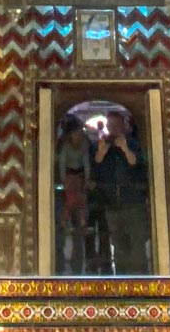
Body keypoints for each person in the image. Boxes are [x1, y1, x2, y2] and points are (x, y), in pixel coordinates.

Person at [92, 109, 151, 275]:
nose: (113, 129)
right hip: (113, 205)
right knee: (119, 246)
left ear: (123, 126)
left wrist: (125, 148)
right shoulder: (104, 145)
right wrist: (102, 152)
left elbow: (136, 163)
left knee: (137, 245)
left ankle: (140, 279)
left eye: (116, 125)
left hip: (133, 203)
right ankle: (123, 278)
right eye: (110, 125)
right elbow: (96, 167)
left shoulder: (132, 143)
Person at [53, 116, 93, 274]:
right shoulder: (63, 146)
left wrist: (87, 179)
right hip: (66, 182)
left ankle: (77, 267)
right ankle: (59, 266)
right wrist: (63, 181)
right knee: (66, 210)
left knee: (79, 207)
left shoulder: (84, 145)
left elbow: (86, 162)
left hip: (78, 179)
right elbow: (62, 163)